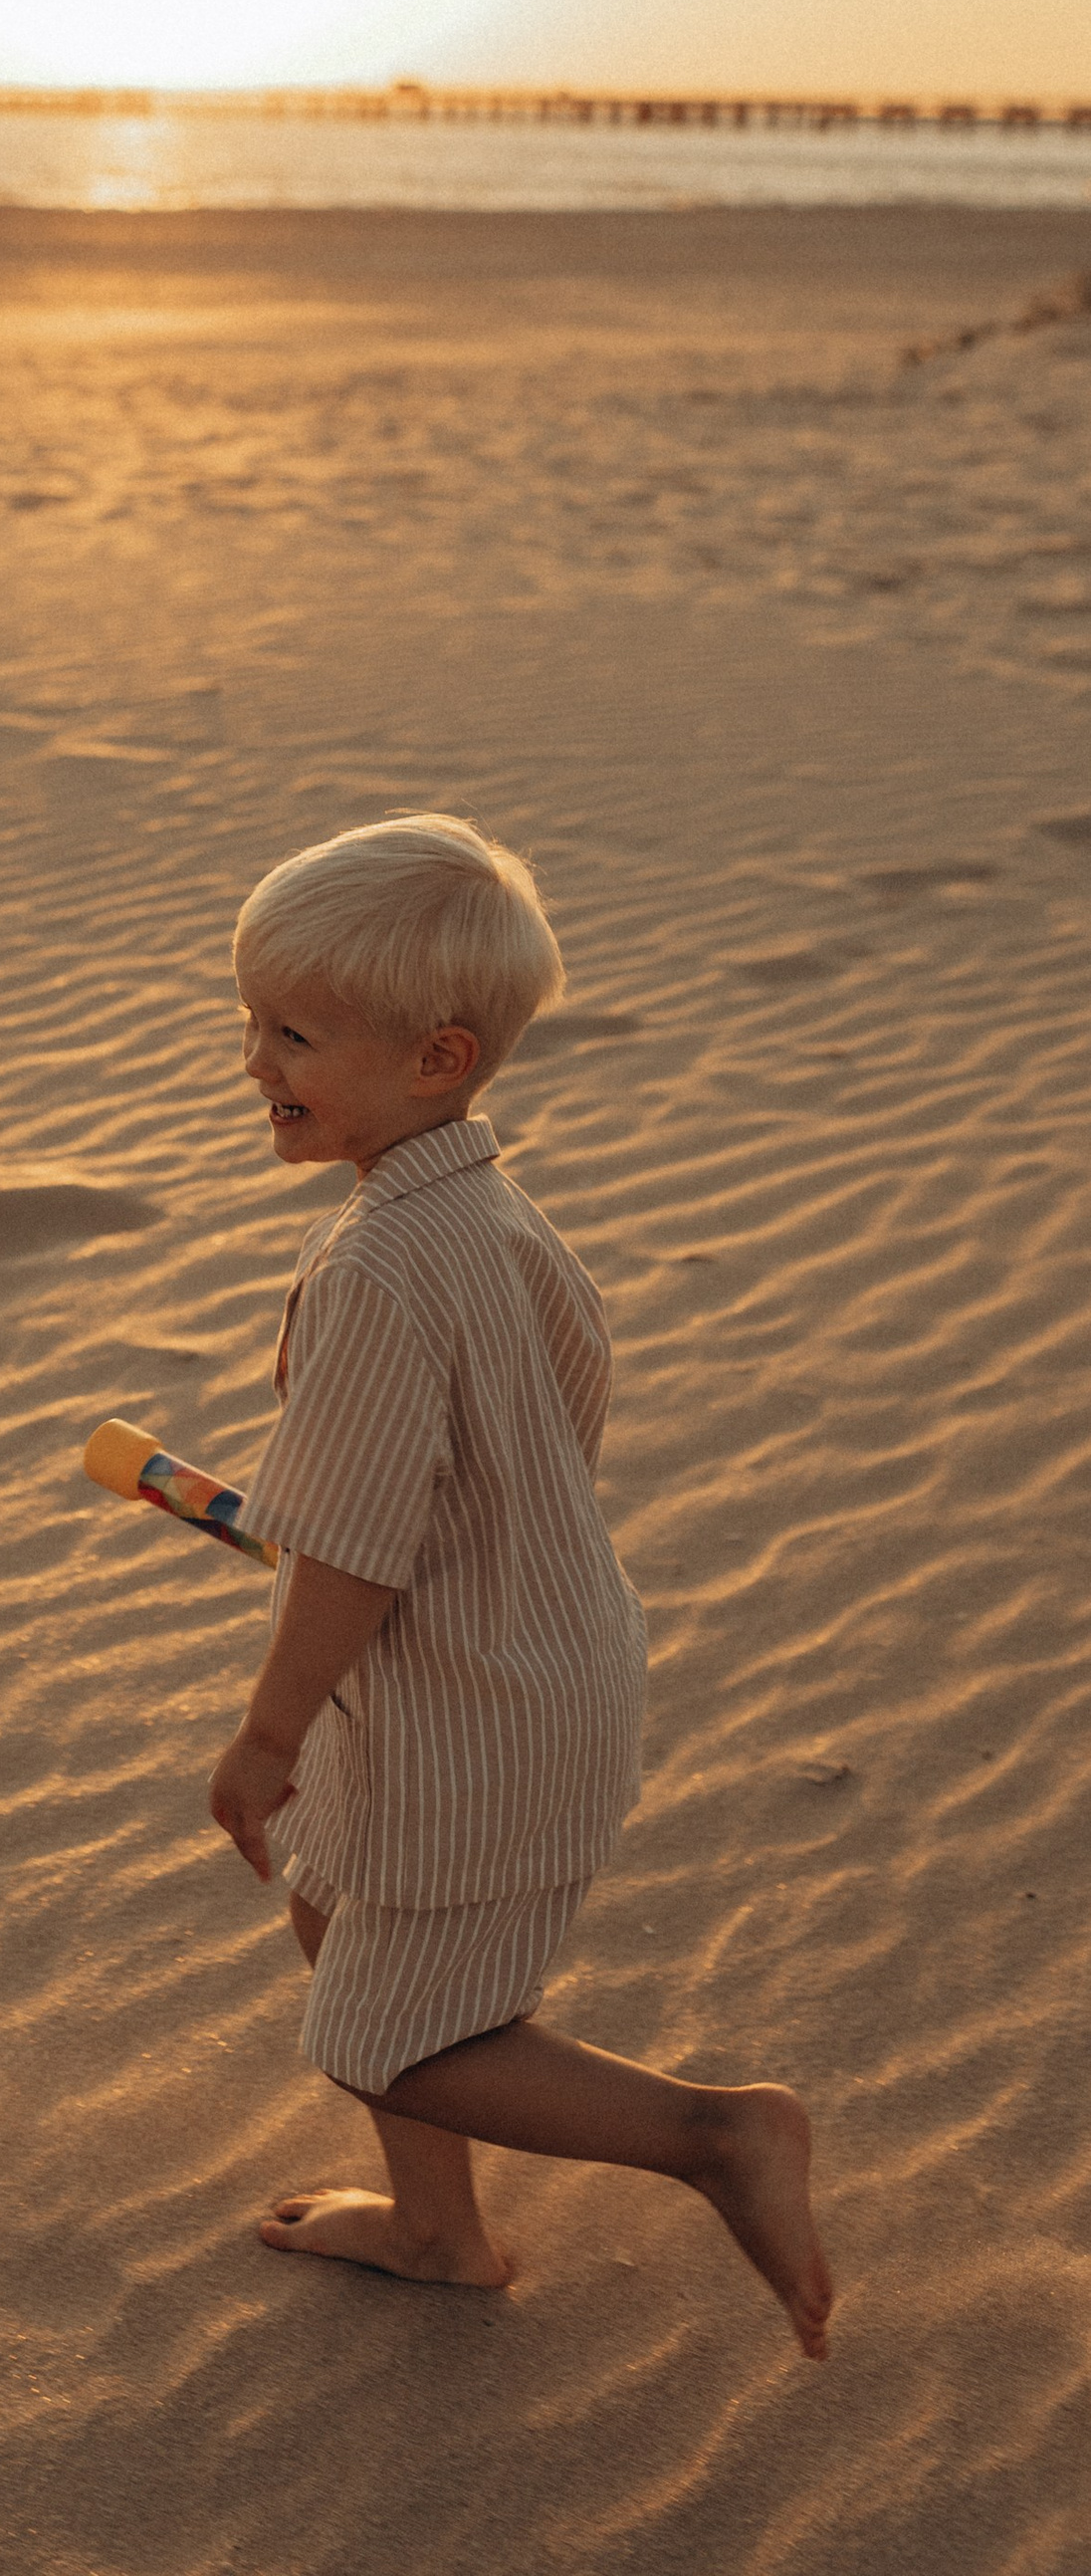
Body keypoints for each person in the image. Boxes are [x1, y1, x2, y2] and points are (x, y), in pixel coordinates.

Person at [208, 812, 832, 2356]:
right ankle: (439, 2232)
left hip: (468, 1709)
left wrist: (269, 1733)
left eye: (295, 1033)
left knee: (391, 2039)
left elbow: (353, 1551)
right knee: (335, 1897)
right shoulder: (499, 1221)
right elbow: (544, 1427)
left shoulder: (372, 1268)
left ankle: (717, 2137)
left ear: (436, 1058)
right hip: (539, 1658)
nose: (254, 1060)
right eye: (251, 1022)